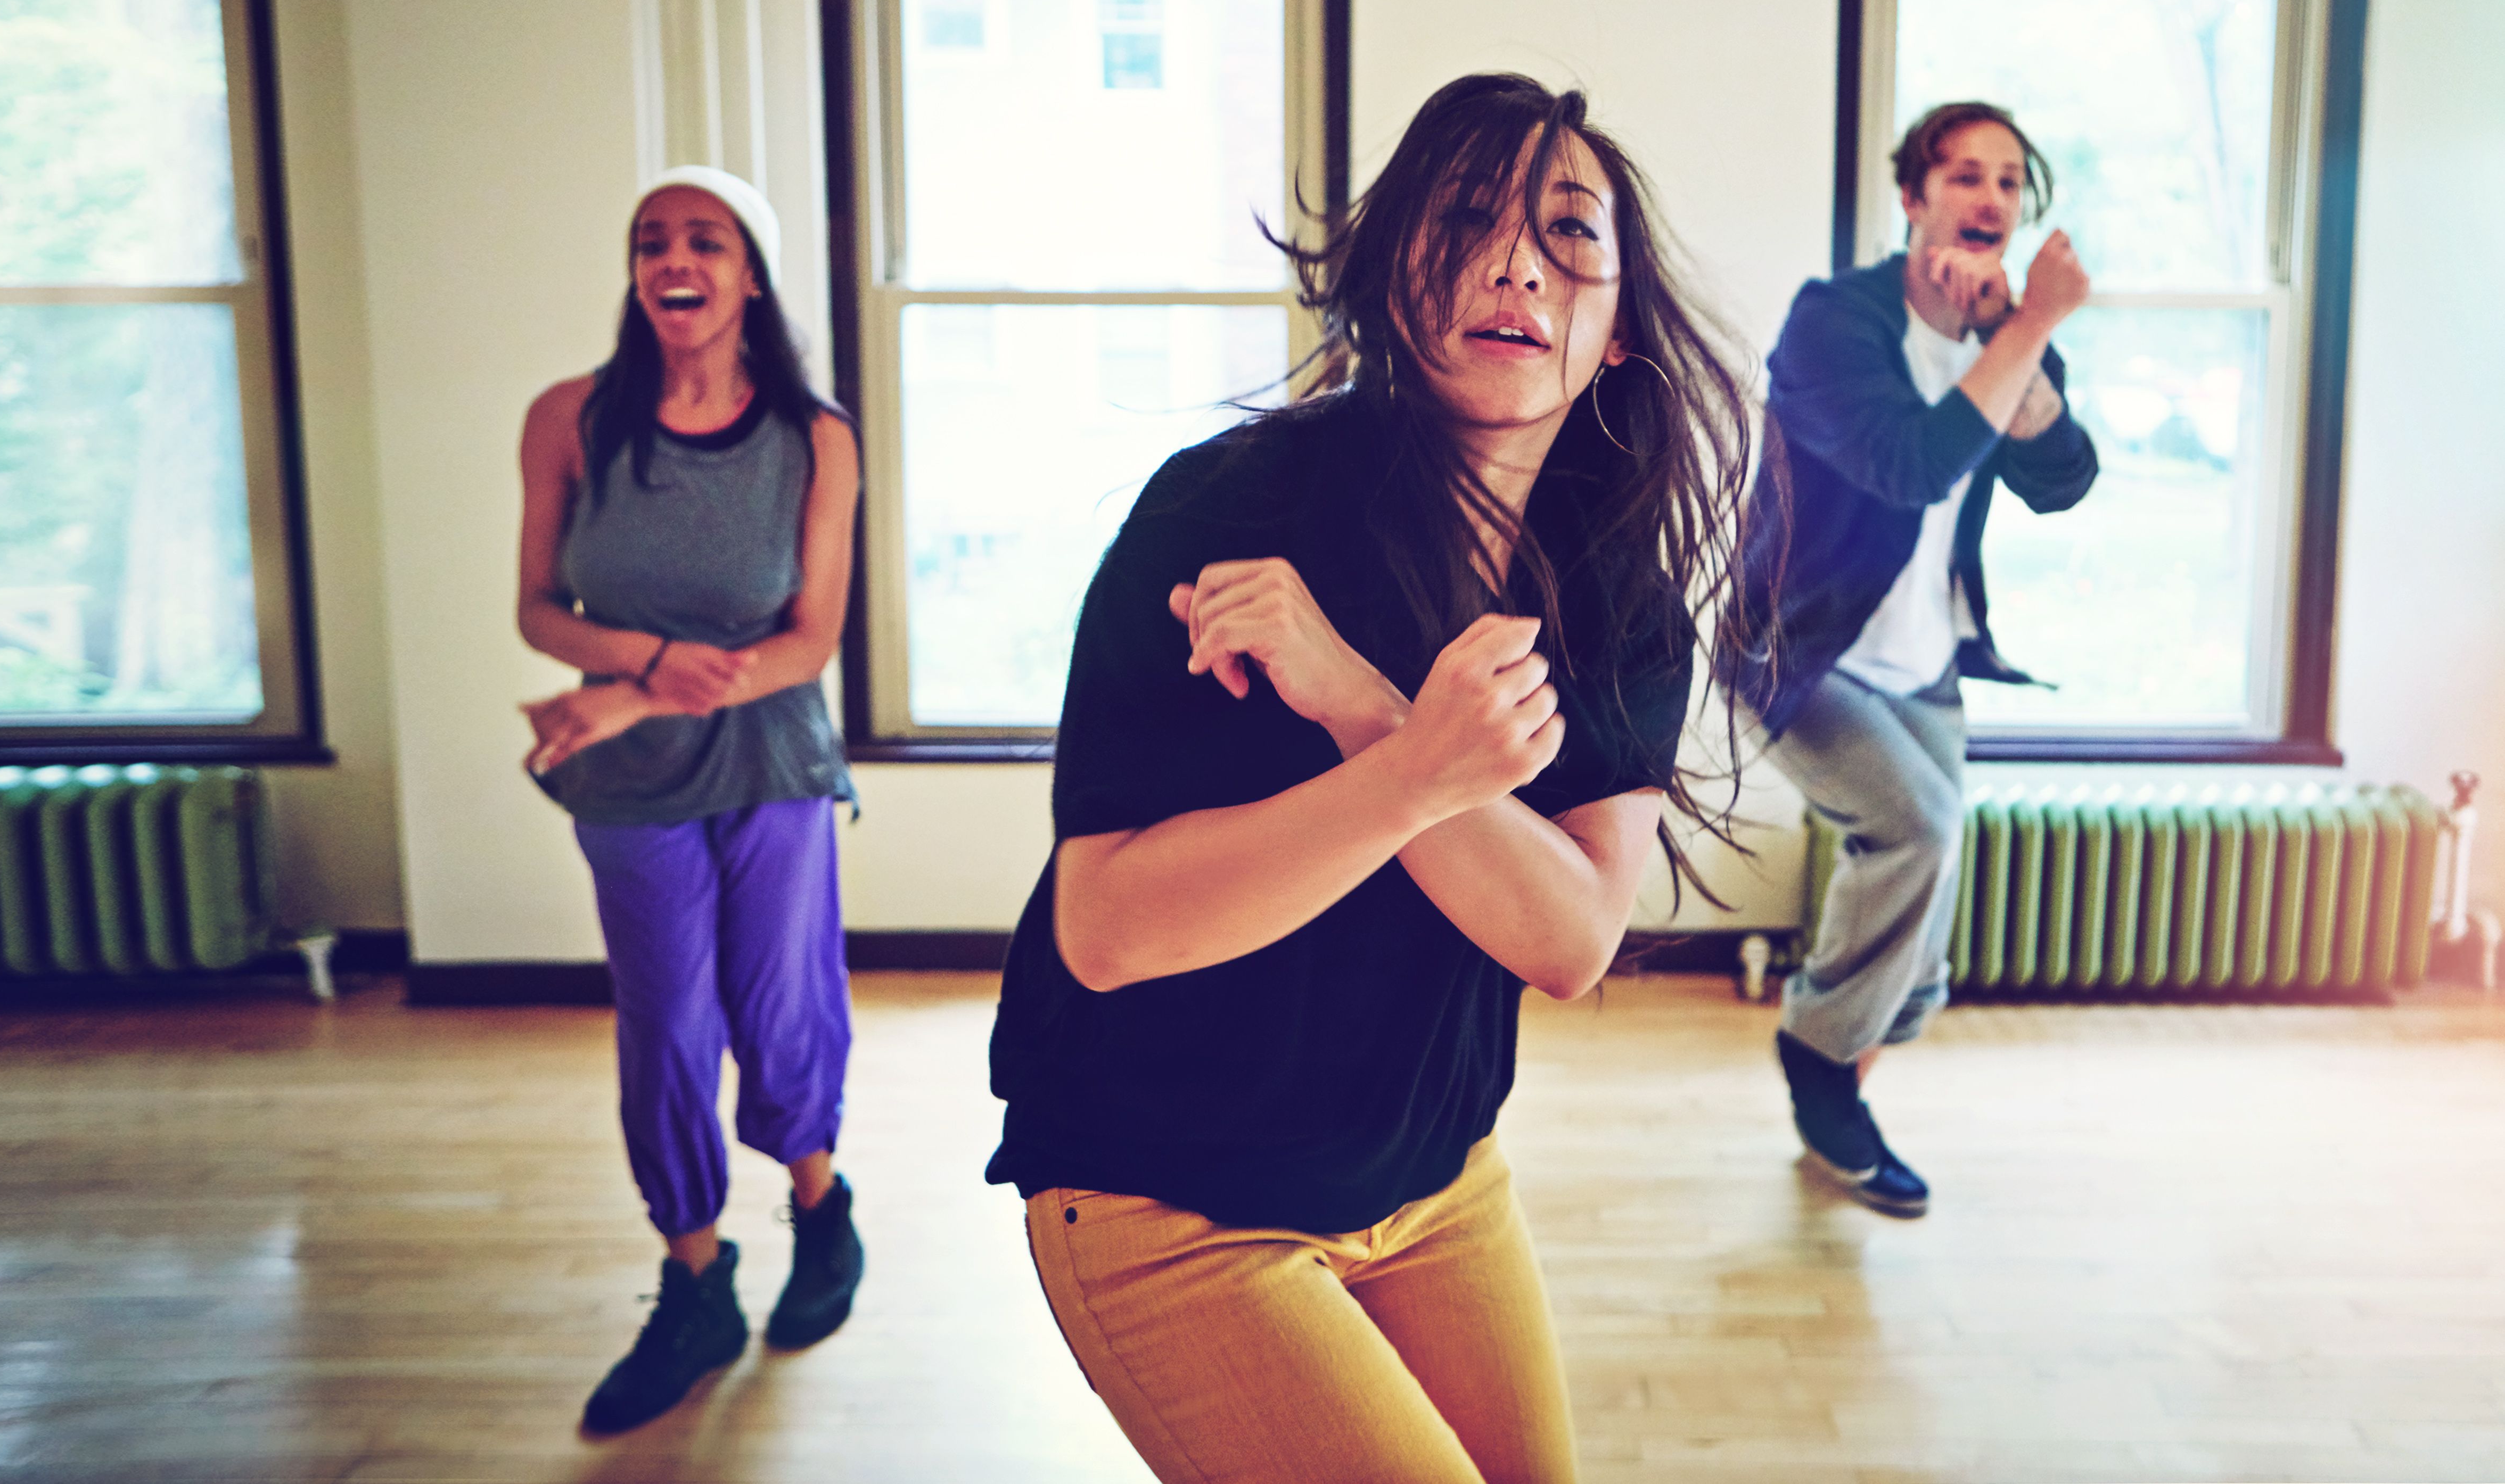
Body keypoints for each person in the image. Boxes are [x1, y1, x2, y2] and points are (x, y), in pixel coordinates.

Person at [984, 73, 1760, 1483]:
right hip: (1171, 1191)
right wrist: (1414, 777)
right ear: (1393, 268)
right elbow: (1106, 930)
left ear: (1616, 332)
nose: (1516, 260)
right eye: (1466, 217)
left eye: (1568, 235)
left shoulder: (1617, 584)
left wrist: (1366, 714)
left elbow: (1568, 934)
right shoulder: (1231, 512)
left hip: (1433, 1180)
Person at [514, 165, 865, 1433]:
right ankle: (695, 1276)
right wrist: (647, 674)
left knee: (777, 1004)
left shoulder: (814, 437)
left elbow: (807, 641)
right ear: (636, 272)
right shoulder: (570, 418)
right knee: (666, 1022)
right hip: (632, 781)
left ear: (750, 277)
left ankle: (822, 1212)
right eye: (653, 239)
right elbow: (540, 609)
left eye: (706, 240)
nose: (677, 257)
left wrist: (624, 693)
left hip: (770, 756)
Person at [1723, 101, 2098, 1217]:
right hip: (1802, 649)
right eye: (1965, 175)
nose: (1991, 198)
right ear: (1913, 198)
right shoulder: (1835, 320)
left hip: (1925, 656)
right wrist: (2027, 324)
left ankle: (1835, 1120)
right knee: (1918, 830)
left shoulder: (2001, 328)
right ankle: (1820, 1069)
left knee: (1921, 958)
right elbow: (1909, 465)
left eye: (2009, 181)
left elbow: (2064, 475)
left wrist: (2011, 339)